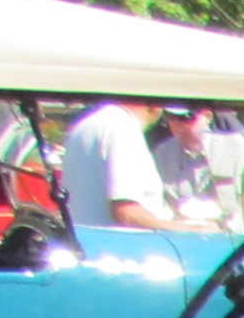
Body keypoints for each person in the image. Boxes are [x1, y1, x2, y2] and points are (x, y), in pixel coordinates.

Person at [55, 97, 180, 230]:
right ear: (155, 105)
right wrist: (189, 230)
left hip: (88, 241)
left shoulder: (86, 125)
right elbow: (126, 213)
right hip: (123, 246)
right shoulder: (122, 126)